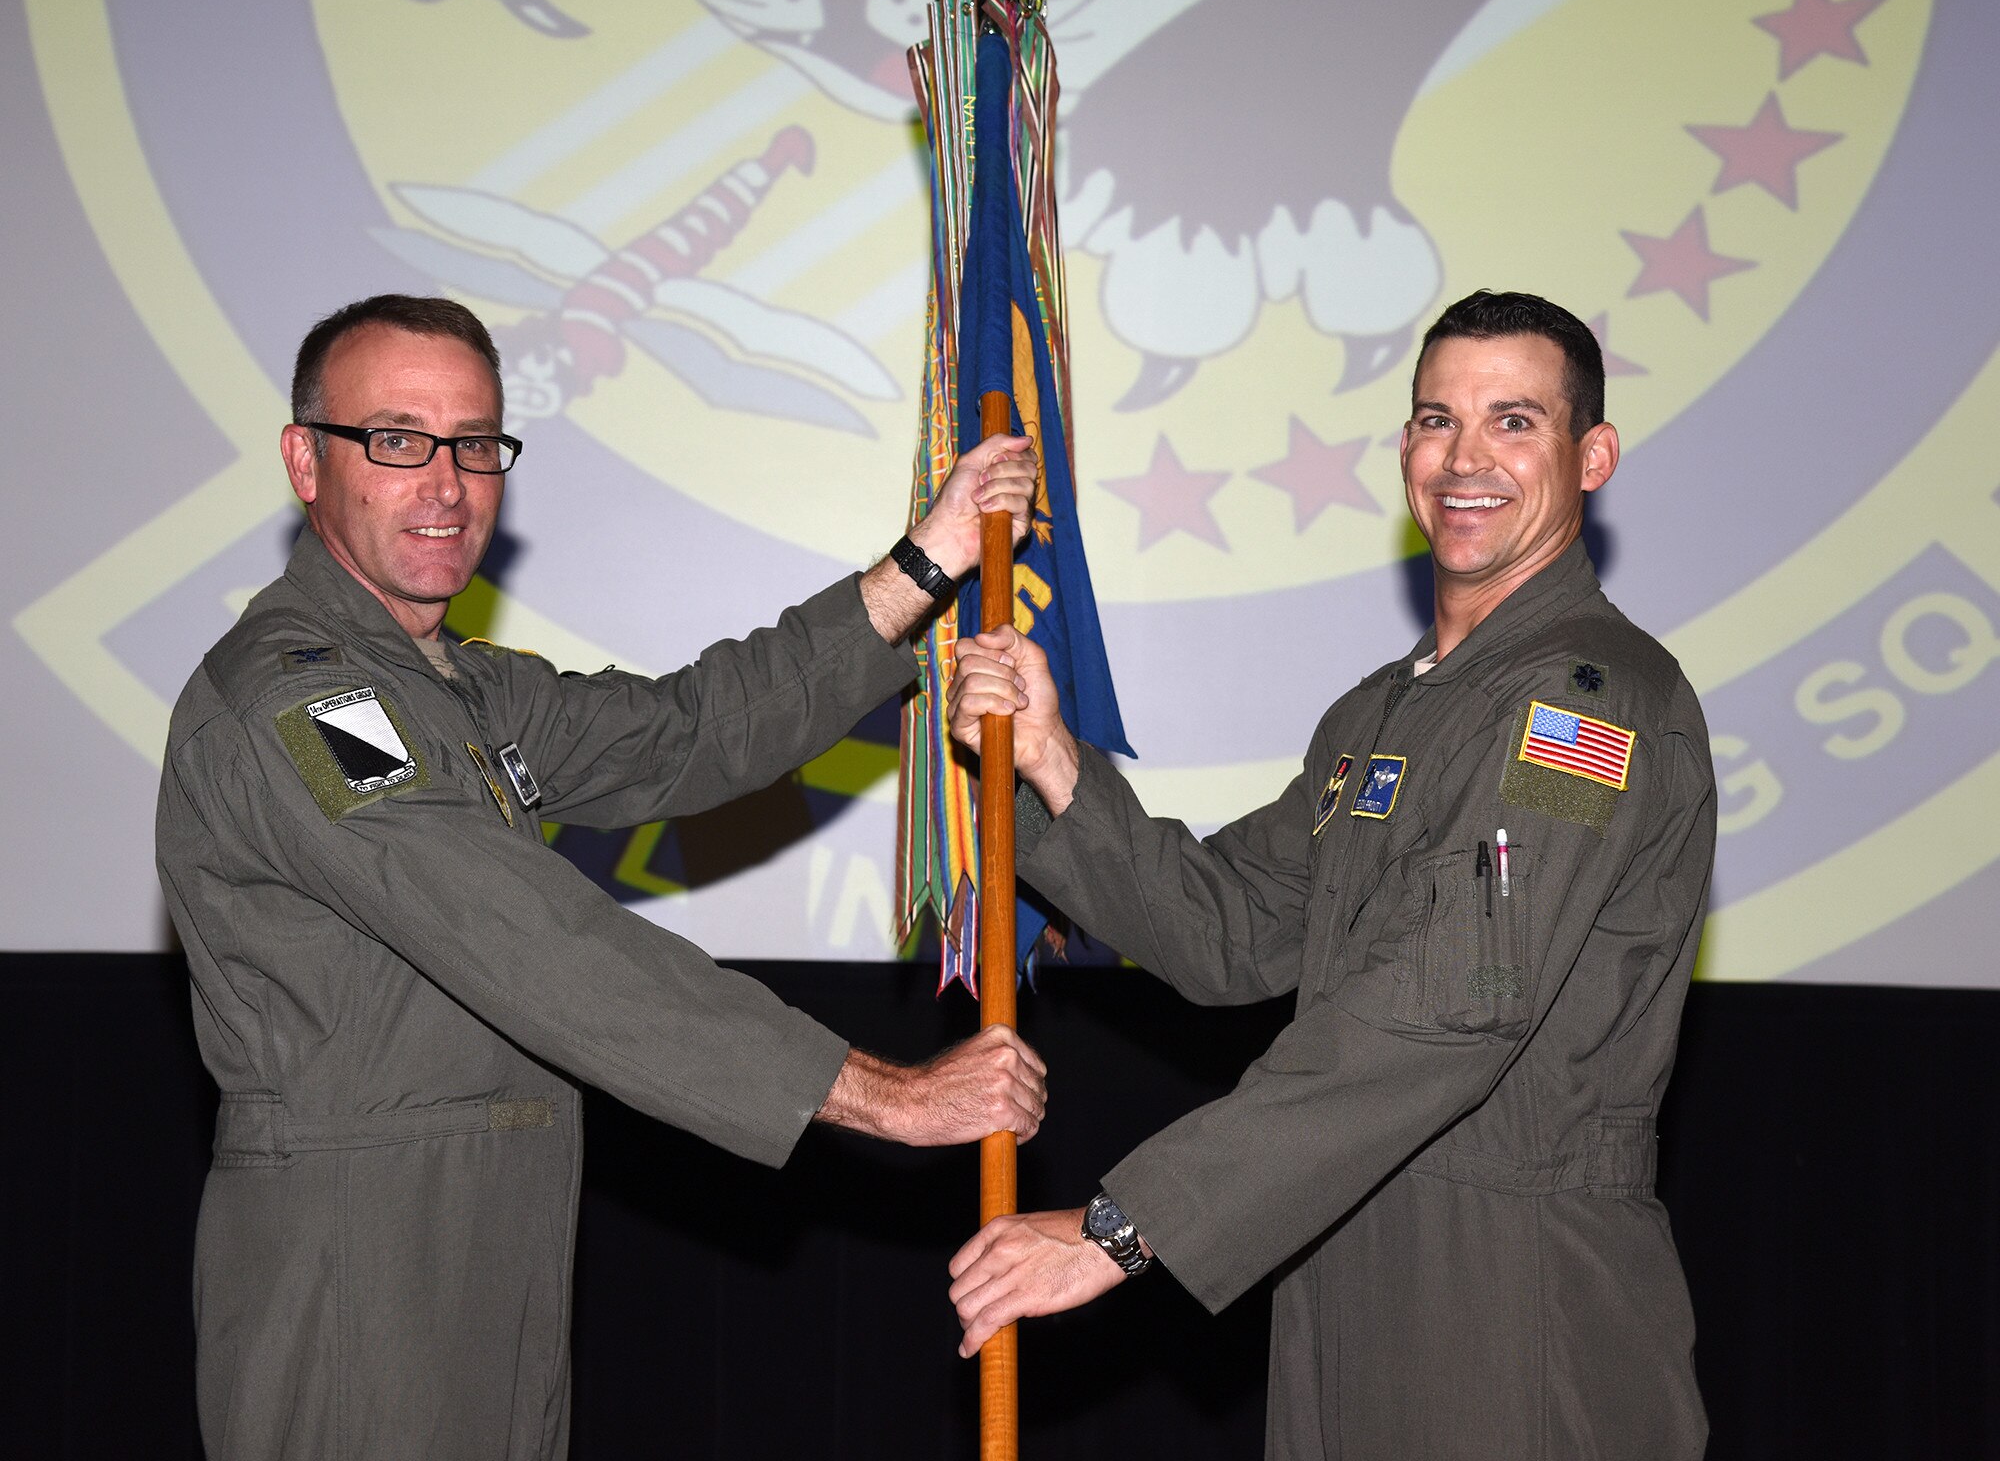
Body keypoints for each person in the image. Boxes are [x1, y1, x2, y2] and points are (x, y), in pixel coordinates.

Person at [155, 294, 1046, 1461]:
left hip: (493, 1238)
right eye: (395, 439)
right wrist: (882, 1094)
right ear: (304, 463)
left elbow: (683, 731)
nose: (445, 482)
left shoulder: (450, 685)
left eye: (475, 443)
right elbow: (530, 941)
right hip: (359, 1260)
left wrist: (923, 562)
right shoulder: (303, 698)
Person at [945, 290, 1715, 1459]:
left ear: (1590, 455)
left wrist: (1123, 1227)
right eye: (1433, 419)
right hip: (1340, 1256)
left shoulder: (1583, 701)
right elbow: (1226, 931)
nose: (1463, 459)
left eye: (1513, 422)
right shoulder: (1380, 713)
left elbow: (1449, 1007)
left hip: (1513, 1291)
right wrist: (1055, 764)